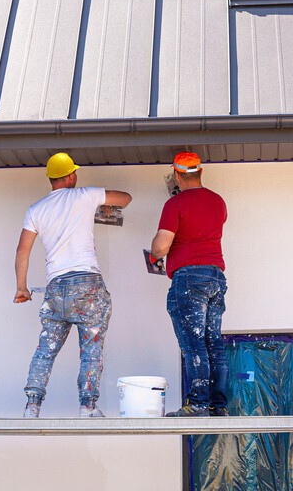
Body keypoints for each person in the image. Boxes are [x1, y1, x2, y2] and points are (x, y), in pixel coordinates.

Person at [15, 152, 132, 418]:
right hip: (87, 285)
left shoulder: (35, 210)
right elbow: (125, 198)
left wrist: (21, 287)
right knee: (91, 348)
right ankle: (87, 407)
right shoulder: (84, 195)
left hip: (56, 287)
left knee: (46, 349)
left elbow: (22, 251)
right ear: (71, 176)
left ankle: (32, 406)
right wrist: (96, 206)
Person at [150, 151, 229, 417]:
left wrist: (154, 255)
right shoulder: (218, 201)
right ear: (200, 172)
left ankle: (197, 405)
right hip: (216, 276)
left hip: (189, 279)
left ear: (176, 175)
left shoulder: (175, 205)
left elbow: (161, 247)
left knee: (193, 344)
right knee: (213, 344)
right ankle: (218, 406)